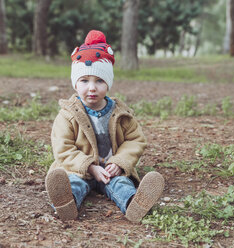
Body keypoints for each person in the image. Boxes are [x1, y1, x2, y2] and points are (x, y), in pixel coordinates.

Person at [45, 30, 164, 223]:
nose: (92, 87)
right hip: (79, 169)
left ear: (108, 84)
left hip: (110, 170)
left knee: (122, 184)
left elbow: (135, 140)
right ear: (75, 84)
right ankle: (66, 203)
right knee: (73, 183)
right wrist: (90, 167)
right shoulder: (67, 115)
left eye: (99, 81)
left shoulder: (120, 113)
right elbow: (63, 148)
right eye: (84, 81)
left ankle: (135, 203)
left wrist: (119, 162)